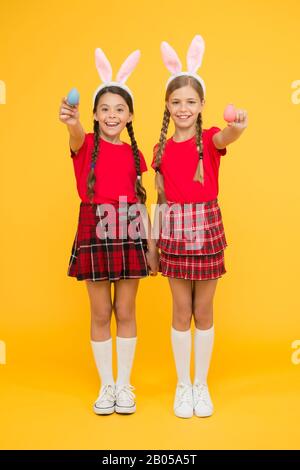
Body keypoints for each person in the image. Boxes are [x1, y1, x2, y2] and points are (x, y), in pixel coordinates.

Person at [152, 35, 248, 418]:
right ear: (167, 106)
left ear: (202, 105)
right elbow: (159, 200)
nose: (183, 108)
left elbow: (230, 135)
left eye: (191, 101)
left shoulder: (209, 139)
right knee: (179, 310)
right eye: (176, 102)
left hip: (206, 225)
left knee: (203, 310)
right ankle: (181, 386)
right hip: (173, 228)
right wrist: (154, 247)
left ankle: (200, 385)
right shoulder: (160, 150)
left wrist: (238, 125)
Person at [59, 47, 159, 415]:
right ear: (95, 115)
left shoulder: (136, 156)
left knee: (127, 310)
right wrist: (70, 118)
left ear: (130, 114)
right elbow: (73, 130)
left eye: (119, 109)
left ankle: (124, 386)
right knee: (101, 313)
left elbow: (142, 199)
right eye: (105, 109)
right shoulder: (84, 143)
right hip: (94, 229)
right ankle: (106, 387)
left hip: (130, 228)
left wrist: (150, 243)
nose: (112, 115)